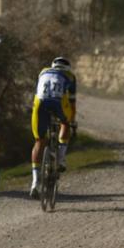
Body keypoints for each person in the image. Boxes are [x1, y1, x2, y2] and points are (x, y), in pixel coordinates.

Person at [30, 56, 77, 198]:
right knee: (65, 123)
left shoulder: (43, 72)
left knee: (39, 141)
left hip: (40, 104)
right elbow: (72, 101)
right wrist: (72, 122)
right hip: (58, 103)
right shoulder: (70, 76)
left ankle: (35, 182)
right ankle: (61, 159)